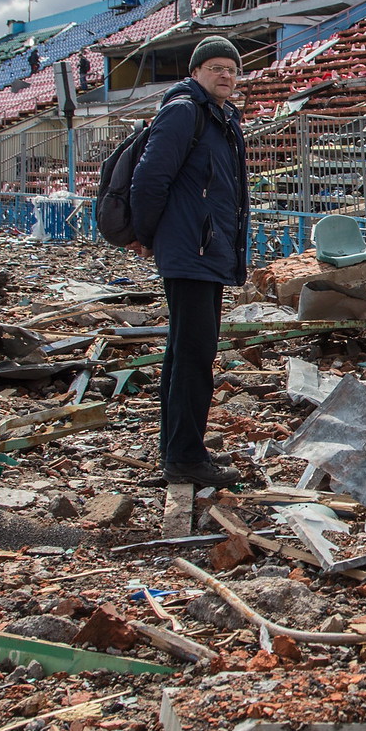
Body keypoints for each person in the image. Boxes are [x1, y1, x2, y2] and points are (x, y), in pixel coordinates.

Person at [128, 36, 250, 488]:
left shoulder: (218, 117)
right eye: (216, 66)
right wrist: (147, 235)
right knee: (195, 354)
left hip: (204, 249)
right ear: (196, 72)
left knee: (185, 352)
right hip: (191, 251)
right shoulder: (185, 111)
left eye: (232, 69)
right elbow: (149, 179)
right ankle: (185, 457)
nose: (225, 75)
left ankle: (180, 449)